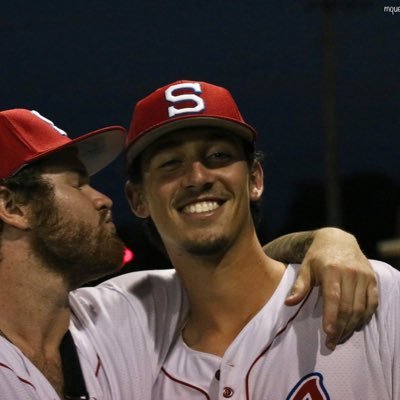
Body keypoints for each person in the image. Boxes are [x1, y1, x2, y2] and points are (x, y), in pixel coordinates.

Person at [0, 108, 378, 399]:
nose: (102, 200)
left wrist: (326, 241)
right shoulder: (130, 315)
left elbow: (242, 273)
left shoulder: (121, 313)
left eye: (217, 156)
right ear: (13, 207)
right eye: (78, 184)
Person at [124, 80, 399, 399]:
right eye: (171, 163)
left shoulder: (370, 293)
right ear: (137, 199)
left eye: (217, 155)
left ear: (255, 179)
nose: (198, 177)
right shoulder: (123, 339)